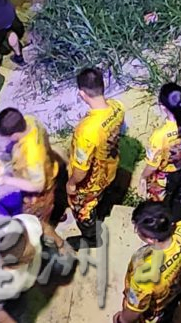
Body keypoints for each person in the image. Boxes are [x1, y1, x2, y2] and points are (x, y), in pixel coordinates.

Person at [66, 68, 125, 246]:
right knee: (103, 194)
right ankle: (104, 204)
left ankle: (91, 237)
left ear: (82, 94)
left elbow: (81, 169)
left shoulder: (86, 132)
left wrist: (71, 183)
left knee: (82, 210)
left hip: (92, 182)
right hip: (111, 168)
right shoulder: (117, 107)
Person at [0, 107, 63, 248]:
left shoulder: (32, 156)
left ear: (15, 135)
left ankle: (59, 244)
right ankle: (52, 212)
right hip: (50, 171)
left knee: (38, 222)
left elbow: (38, 185)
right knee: (48, 209)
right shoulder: (30, 121)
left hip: (40, 193)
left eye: (6, 137)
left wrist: (5, 180)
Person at [116, 202, 181, 323]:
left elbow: (135, 310)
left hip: (152, 311)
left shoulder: (143, 274)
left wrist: (121, 319)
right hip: (174, 293)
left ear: (150, 239)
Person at [138, 83, 181, 221]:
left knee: (158, 203)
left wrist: (143, 177)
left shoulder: (160, 136)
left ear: (163, 107)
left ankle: (160, 225)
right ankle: (177, 221)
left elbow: (153, 165)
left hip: (165, 176)